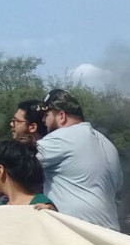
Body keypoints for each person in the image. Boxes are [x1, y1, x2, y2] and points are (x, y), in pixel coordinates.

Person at [36, 89, 122, 230]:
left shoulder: (61, 137)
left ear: (62, 115)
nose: (43, 121)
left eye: (46, 115)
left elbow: (19, 168)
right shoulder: (108, 144)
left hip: (78, 232)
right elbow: (118, 185)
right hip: (111, 232)